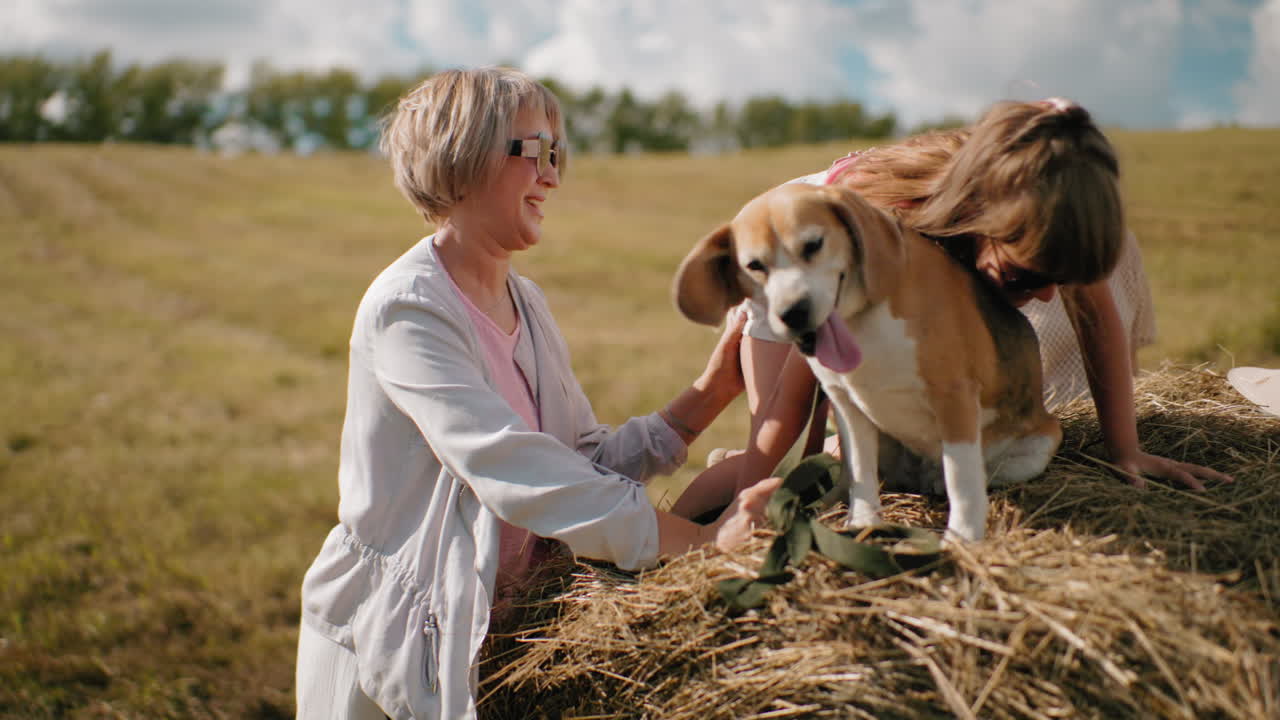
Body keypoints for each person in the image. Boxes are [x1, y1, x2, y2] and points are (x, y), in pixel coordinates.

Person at [294, 67, 779, 720]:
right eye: (536, 152)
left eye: (559, 154)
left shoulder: (526, 300)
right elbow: (518, 471)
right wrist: (700, 544)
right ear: (460, 156)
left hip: (498, 635)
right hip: (393, 647)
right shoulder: (408, 310)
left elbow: (578, 458)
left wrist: (709, 394)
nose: (553, 175)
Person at [671, 98, 1230, 521]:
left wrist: (1125, 449)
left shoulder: (1044, 202)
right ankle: (683, 538)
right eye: (1023, 278)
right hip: (794, 256)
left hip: (874, 253)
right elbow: (800, 389)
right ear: (979, 224)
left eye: (1057, 281)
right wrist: (747, 502)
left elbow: (1096, 318)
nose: (1044, 299)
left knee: (872, 442)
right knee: (788, 457)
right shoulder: (891, 232)